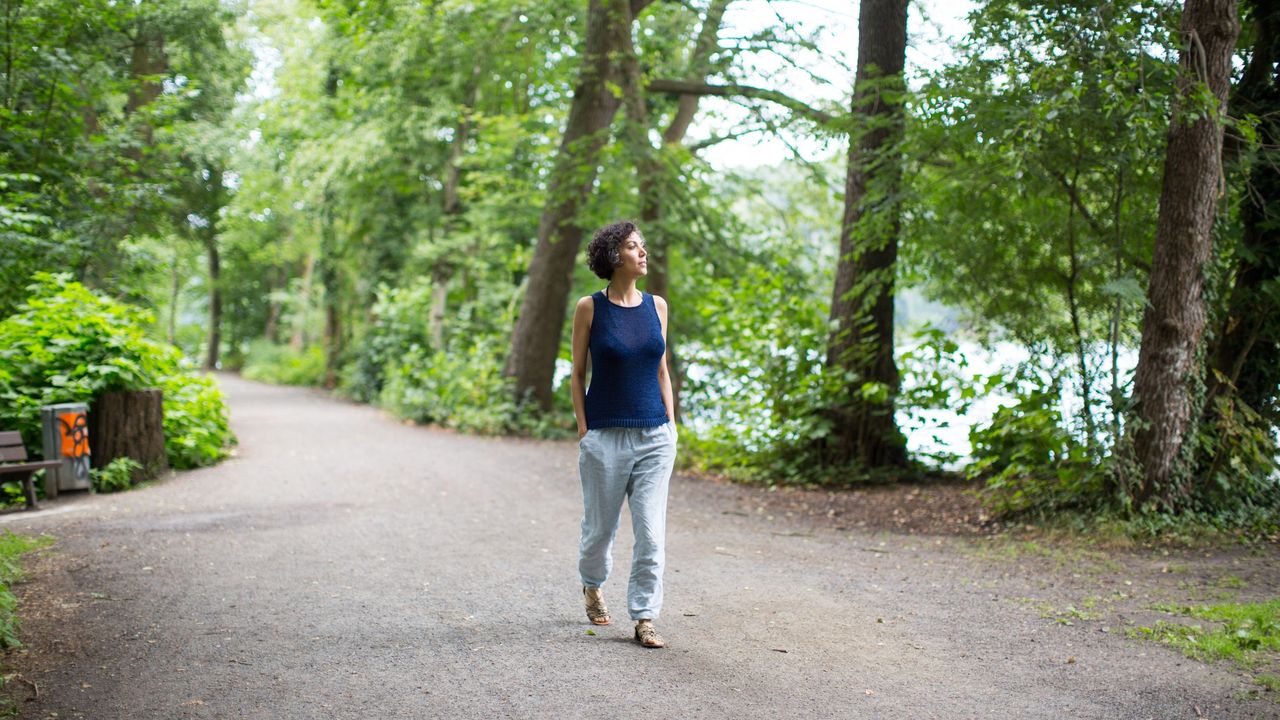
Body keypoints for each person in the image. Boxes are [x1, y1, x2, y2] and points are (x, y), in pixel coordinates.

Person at [570, 220, 677, 649]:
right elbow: (577, 374)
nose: (643, 252)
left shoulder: (658, 306)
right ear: (614, 257)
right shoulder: (590, 308)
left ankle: (645, 616)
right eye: (634, 247)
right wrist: (584, 429)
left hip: (654, 436)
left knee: (651, 532)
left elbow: (662, 370)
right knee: (600, 531)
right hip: (605, 438)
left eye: (643, 246)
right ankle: (592, 583)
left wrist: (670, 424)